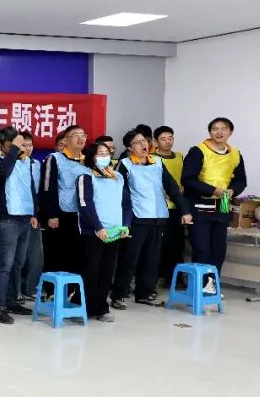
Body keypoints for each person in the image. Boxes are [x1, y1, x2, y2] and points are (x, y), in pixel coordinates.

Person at [110, 129, 192, 309]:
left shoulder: (157, 163)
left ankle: (144, 293)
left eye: (144, 141)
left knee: (152, 259)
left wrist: (185, 210)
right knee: (130, 258)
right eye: (138, 142)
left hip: (158, 217)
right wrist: (123, 220)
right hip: (137, 218)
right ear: (129, 148)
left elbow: (172, 188)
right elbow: (120, 194)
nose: (143, 144)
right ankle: (119, 294)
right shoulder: (124, 165)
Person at [182, 117, 247, 292]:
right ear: (209, 132)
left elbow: (241, 180)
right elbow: (188, 179)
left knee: (218, 251)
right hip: (200, 208)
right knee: (202, 249)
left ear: (230, 132)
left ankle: (210, 288)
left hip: (223, 206)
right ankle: (198, 288)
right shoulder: (198, 151)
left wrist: (233, 190)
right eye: (214, 129)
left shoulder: (235, 154)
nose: (219, 132)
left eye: (223, 128)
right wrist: (213, 190)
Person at [77, 141, 133, 322]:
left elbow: (126, 204)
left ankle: (101, 308)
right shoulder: (86, 177)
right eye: (99, 153)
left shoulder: (117, 177)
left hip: (114, 232)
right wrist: (98, 227)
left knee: (107, 271)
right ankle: (82, 308)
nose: (104, 156)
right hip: (93, 232)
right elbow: (85, 204)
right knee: (91, 271)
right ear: (91, 157)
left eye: (106, 153)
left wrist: (126, 225)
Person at [0, 128, 38, 324]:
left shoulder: (26, 161)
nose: (22, 147)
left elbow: (30, 188)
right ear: (5, 144)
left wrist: (34, 213)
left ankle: (11, 301)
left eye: (24, 144)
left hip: (25, 217)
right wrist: (14, 150)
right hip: (7, 218)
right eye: (17, 144)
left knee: (18, 263)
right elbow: (4, 172)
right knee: (5, 264)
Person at [41, 125, 89, 275]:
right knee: (56, 254)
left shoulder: (88, 161)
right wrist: (52, 213)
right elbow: (47, 186)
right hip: (61, 214)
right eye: (76, 135)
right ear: (66, 140)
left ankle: (74, 287)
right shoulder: (55, 158)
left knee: (78, 255)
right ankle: (52, 287)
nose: (81, 138)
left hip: (82, 216)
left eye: (83, 135)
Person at [153, 125, 187, 281]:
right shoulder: (152, 158)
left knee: (177, 244)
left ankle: (174, 278)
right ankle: (156, 277)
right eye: (163, 139)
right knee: (160, 244)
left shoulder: (179, 156)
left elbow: (184, 177)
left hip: (178, 206)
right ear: (155, 141)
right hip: (160, 207)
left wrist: (182, 187)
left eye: (170, 138)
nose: (168, 142)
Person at [17, 132, 44, 301]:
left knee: (35, 254)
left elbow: (38, 190)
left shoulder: (37, 164)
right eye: (24, 145)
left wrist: (36, 212)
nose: (27, 148)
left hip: (33, 213)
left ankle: (30, 288)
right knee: (16, 256)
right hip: (15, 214)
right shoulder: (11, 163)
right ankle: (16, 290)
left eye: (30, 145)